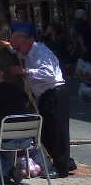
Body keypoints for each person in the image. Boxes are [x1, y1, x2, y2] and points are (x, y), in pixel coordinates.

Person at [7, 30, 74, 177]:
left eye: (18, 48)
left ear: (27, 42)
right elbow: (17, 51)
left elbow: (49, 74)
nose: (18, 52)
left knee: (57, 132)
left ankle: (62, 168)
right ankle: (65, 162)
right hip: (46, 95)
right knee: (46, 133)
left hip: (54, 93)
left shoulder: (41, 53)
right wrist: (7, 46)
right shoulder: (28, 51)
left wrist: (25, 71)